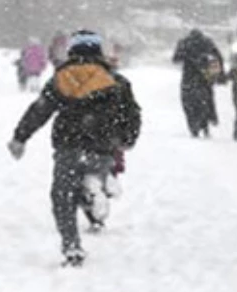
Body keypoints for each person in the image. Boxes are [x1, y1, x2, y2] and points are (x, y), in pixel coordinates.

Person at [8, 30, 142, 267]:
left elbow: (39, 110)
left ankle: (72, 246)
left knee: (62, 196)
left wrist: (20, 137)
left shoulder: (62, 78)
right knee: (92, 175)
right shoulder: (117, 82)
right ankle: (96, 189)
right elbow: (131, 114)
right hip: (103, 147)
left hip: (69, 145)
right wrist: (126, 139)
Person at [172, 29, 225, 138]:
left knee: (189, 103)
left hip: (188, 77)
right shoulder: (207, 42)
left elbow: (175, 59)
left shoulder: (184, 43)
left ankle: (194, 127)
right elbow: (218, 57)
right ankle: (206, 123)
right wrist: (220, 74)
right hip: (204, 77)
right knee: (205, 101)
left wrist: (187, 56)